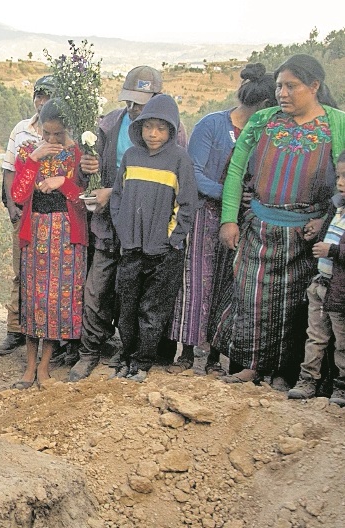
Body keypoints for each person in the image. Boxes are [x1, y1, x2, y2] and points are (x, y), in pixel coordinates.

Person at [217, 54, 345, 388]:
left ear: (314, 86)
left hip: (306, 235)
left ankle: (287, 374)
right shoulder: (262, 120)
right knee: (251, 299)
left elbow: (343, 184)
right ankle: (249, 367)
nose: (282, 93)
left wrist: (324, 221)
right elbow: (235, 171)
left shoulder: (337, 124)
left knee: (296, 307)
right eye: (278, 86)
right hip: (259, 227)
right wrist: (229, 219)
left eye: (291, 85)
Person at [68, 66, 188, 381]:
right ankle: (89, 352)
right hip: (111, 227)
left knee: (140, 298)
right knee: (97, 289)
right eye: (130, 101)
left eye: (142, 102)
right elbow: (87, 179)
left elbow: (180, 189)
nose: (134, 108)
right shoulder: (108, 125)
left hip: (152, 233)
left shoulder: (173, 133)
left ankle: (137, 356)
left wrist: (170, 237)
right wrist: (87, 169)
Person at [171, 63, 275, 376]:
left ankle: (216, 357)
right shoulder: (212, 125)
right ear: (264, 105)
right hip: (205, 215)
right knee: (196, 283)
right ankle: (187, 352)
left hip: (244, 220)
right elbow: (193, 172)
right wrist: (227, 194)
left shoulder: (266, 134)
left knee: (228, 286)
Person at [110, 94, 197, 382]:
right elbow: (118, 198)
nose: (153, 134)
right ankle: (126, 354)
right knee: (127, 307)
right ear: (140, 127)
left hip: (163, 252)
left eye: (161, 128)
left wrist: (172, 240)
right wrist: (124, 231)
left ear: (171, 130)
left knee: (152, 310)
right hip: (131, 248)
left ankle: (143, 362)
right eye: (148, 127)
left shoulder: (180, 159)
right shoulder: (131, 156)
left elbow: (187, 205)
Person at [8, 99, 88, 388]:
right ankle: (29, 366)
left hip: (66, 235)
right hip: (37, 232)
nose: (52, 140)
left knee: (56, 301)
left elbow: (85, 198)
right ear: (39, 128)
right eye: (47, 133)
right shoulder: (28, 151)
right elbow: (18, 194)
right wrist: (34, 160)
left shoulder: (79, 153)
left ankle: (44, 366)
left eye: (58, 134)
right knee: (32, 298)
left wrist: (61, 183)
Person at [0, 74, 55, 355]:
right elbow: (8, 168)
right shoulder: (22, 129)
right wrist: (10, 205)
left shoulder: (61, 130)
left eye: (48, 96)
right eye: (39, 95)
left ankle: (49, 333)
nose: (42, 102)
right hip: (23, 210)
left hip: (53, 214)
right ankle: (15, 329)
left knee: (49, 273)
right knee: (20, 271)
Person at [288, 152, 345, 403]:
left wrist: (332, 251)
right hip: (321, 283)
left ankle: (340, 386)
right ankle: (308, 380)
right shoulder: (337, 207)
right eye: (340, 175)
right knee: (316, 336)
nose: (341, 182)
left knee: (342, 341)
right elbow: (325, 234)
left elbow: (333, 247)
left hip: (340, 290)